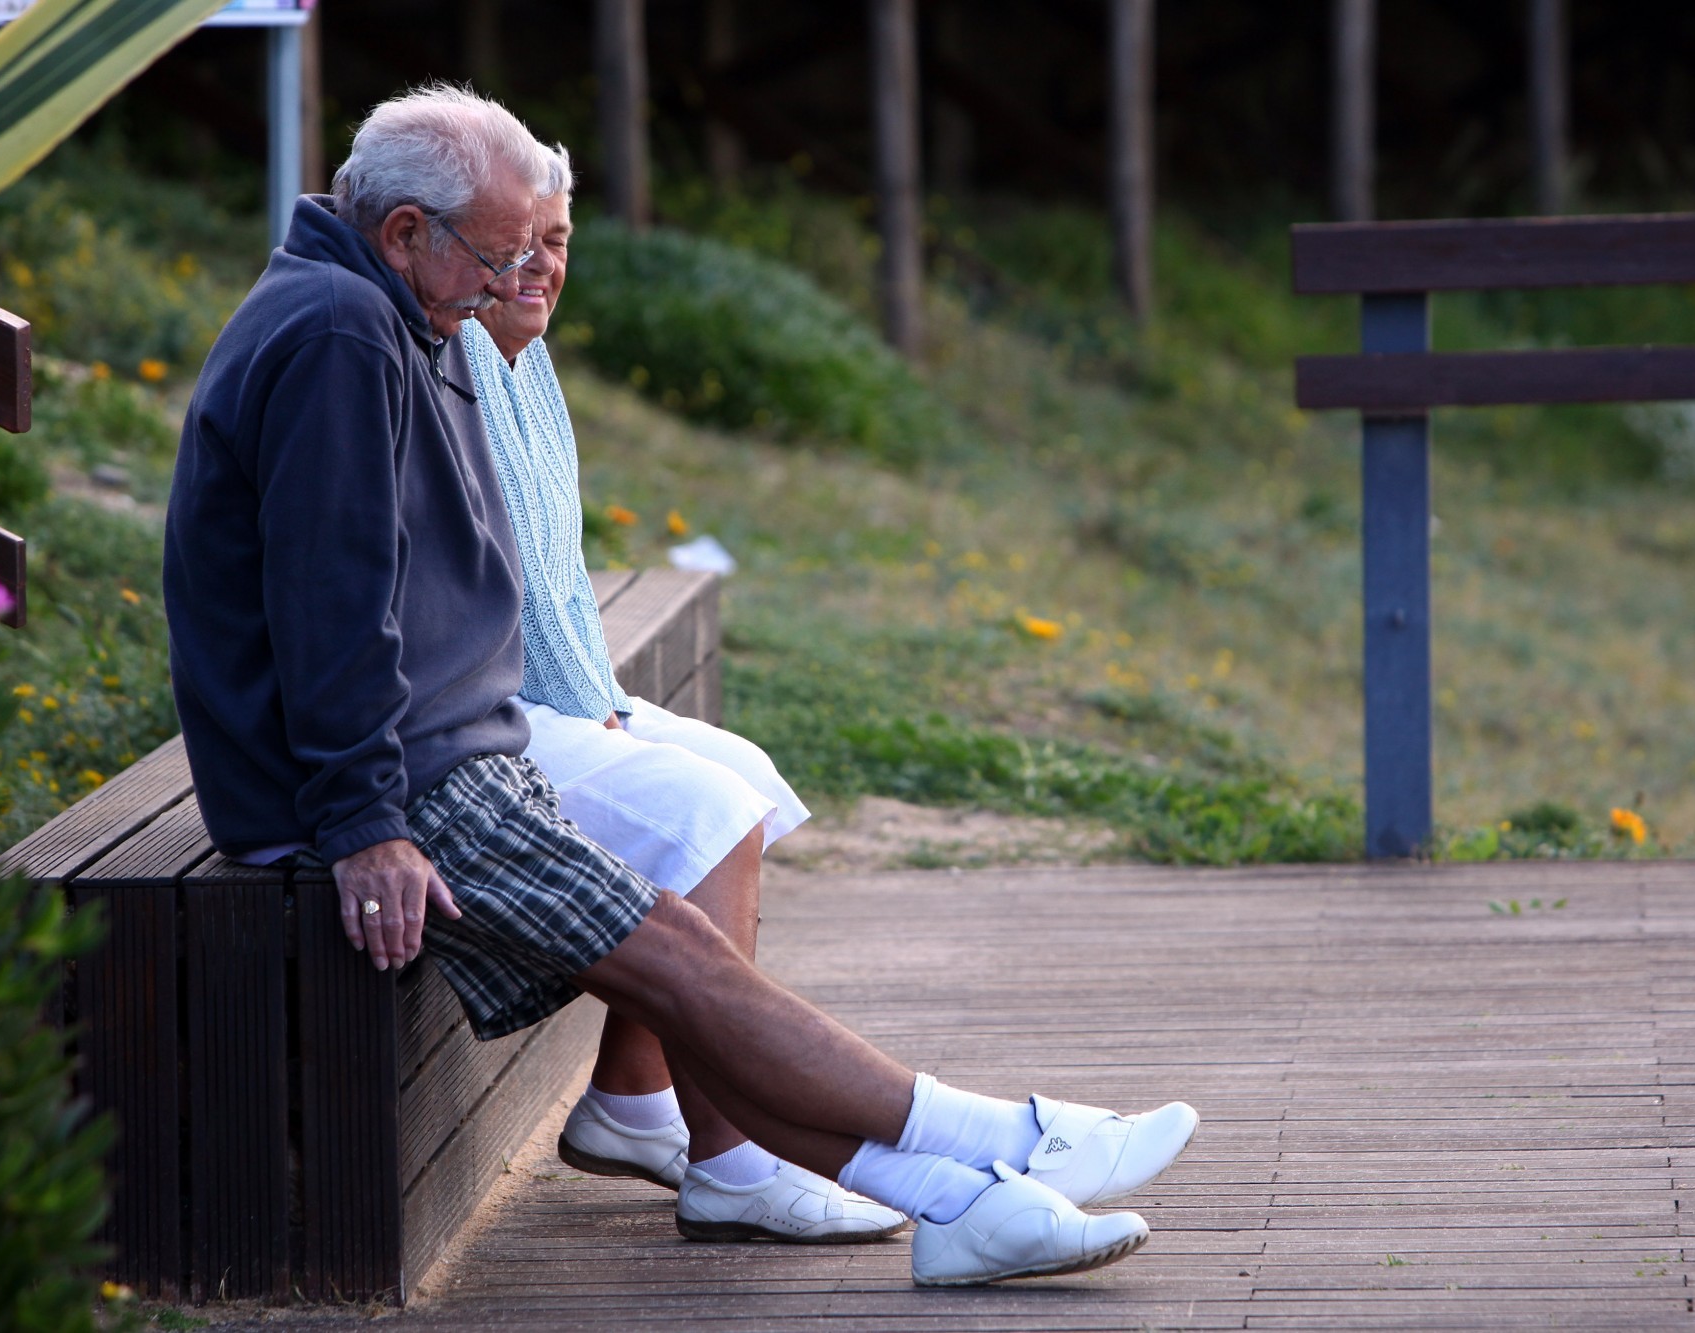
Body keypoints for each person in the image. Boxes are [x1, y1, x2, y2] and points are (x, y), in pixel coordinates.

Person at [163, 83, 1197, 1287]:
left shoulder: (398, 311)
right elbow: (330, 602)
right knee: (677, 956)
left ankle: (959, 1199)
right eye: (496, 259)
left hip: (445, 747)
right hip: (396, 776)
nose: (514, 285)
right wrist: (365, 823)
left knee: (678, 962)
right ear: (403, 233)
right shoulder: (345, 331)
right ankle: (1004, 1139)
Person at [462, 153, 892, 1243]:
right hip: (469, 718)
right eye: (515, 243)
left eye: (556, 242)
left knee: (744, 773)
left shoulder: (524, 357)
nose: (538, 266)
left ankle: (630, 1094)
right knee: (707, 812)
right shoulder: (449, 355)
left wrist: (597, 702)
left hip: (537, 692)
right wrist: (586, 712)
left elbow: (553, 572)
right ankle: (734, 1161)